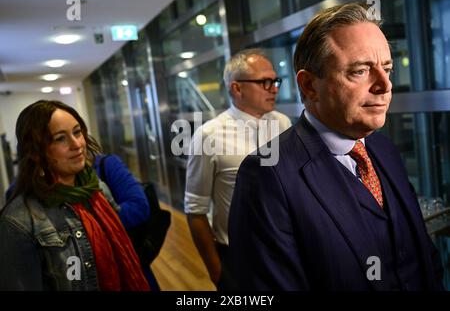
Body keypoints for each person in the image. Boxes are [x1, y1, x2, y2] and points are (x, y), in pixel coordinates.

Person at [228, 3, 444, 290]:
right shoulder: (267, 175)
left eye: (388, 69)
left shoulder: (383, 149)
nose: (385, 85)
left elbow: (424, 257)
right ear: (309, 85)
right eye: (360, 71)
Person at [0, 100, 150, 291]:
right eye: (60, 138)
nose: (77, 144)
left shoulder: (95, 188)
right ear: (36, 152)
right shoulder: (18, 221)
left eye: (77, 132)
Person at [184, 48, 291, 290]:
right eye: (265, 82)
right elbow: (195, 211)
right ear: (237, 88)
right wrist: (217, 273)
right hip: (238, 259)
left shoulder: (282, 123)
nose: (273, 88)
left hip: (284, 251)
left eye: (275, 80)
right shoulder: (208, 136)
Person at [93, 153, 160, 290]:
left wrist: (92, 225)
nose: (75, 144)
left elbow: (139, 207)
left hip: (128, 266)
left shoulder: (105, 164)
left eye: (77, 132)